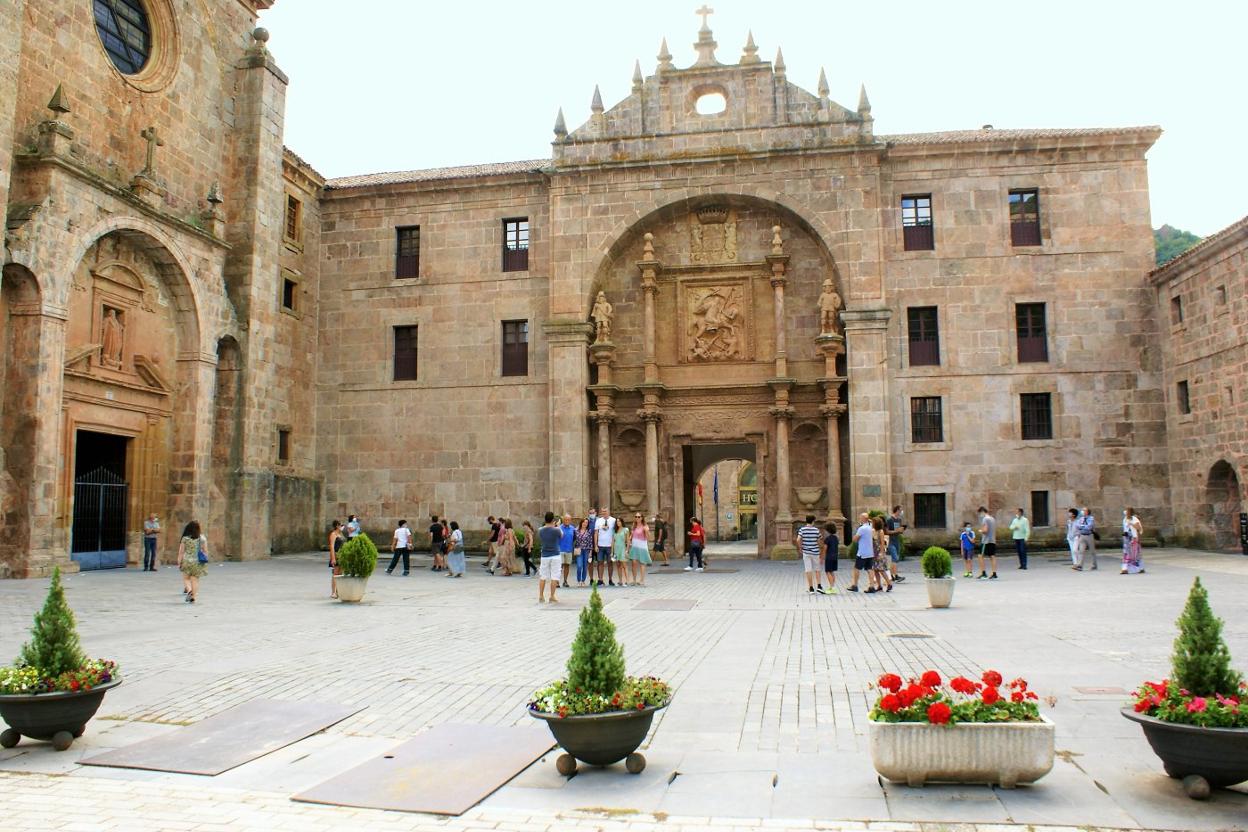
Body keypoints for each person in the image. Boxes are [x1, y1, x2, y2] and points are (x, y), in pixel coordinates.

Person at [177, 520, 207, 603]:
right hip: (197, 562)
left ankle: (189, 590)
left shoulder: (185, 539)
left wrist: (179, 561)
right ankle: (193, 597)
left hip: (187, 561)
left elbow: (181, 552)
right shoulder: (202, 538)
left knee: (186, 578)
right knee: (195, 580)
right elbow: (205, 551)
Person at [537, 511, 562, 603]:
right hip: (555, 554)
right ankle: (552, 596)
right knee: (554, 576)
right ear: (553, 520)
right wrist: (557, 526)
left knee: (543, 575)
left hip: (544, 555)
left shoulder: (540, 530)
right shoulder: (556, 529)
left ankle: (541, 595)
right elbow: (561, 536)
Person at [797, 514, 825, 594]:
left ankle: (811, 588)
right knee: (817, 569)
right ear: (813, 521)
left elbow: (798, 539)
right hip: (815, 552)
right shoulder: (816, 530)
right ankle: (819, 586)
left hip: (806, 552)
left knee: (808, 570)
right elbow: (820, 540)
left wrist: (800, 547)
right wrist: (820, 547)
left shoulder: (802, 529)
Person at [848, 513, 873, 592]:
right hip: (870, 551)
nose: (859, 519)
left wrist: (856, 532)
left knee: (856, 568)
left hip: (862, 552)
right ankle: (872, 586)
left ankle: (855, 585)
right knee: (869, 569)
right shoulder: (871, 527)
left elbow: (855, 539)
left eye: (860, 518)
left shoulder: (862, 528)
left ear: (863, 519)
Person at [870, 516, 894, 593]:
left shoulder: (880, 531)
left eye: (873, 523)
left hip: (879, 552)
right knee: (875, 570)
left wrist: (881, 553)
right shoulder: (873, 531)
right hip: (874, 552)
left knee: (881, 569)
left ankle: (889, 583)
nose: (872, 524)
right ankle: (879, 585)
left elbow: (882, 543)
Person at [593, 507, 615, 587]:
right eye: (602, 512)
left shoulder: (613, 520)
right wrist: (595, 545)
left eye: (605, 511)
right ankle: (600, 580)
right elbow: (596, 533)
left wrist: (613, 546)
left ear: (608, 511)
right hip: (600, 545)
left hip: (609, 545)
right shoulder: (598, 520)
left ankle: (610, 579)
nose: (604, 513)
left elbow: (614, 533)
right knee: (600, 563)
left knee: (610, 563)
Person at [628, 513, 652, 586]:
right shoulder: (634, 526)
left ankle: (642, 580)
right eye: (636, 516)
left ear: (642, 518)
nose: (637, 518)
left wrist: (647, 531)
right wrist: (628, 543)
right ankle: (634, 580)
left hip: (642, 547)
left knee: (642, 563)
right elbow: (631, 536)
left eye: (639, 517)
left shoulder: (645, 526)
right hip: (634, 546)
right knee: (634, 563)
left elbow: (648, 538)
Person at [884, 505, 906, 582]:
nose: (901, 512)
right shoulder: (889, 520)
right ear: (896, 510)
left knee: (895, 560)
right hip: (891, 541)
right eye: (900, 510)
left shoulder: (899, 520)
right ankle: (895, 575)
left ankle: (891, 576)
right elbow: (886, 531)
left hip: (897, 540)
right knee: (895, 558)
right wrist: (896, 531)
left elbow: (899, 530)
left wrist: (901, 530)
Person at [977, 507, 998, 580]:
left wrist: (980, 530)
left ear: (982, 512)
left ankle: (983, 573)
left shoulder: (985, 519)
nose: (980, 515)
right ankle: (994, 573)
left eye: (980, 513)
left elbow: (985, 530)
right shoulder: (992, 519)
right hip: (992, 540)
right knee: (992, 556)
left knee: (980, 556)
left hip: (986, 541)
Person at [1122, 507, 1145, 574]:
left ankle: (1141, 568)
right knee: (1126, 554)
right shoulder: (1125, 519)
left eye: (1127, 511)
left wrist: (1131, 523)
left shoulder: (1135, 519)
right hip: (1127, 538)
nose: (1126, 512)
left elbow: (1139, 528)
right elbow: (1125, 528)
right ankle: (1125, 569)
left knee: (1136, 554)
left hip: (1134, 538)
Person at [559, 514, 576, 588]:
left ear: (570, 520)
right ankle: (556, 582)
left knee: (567, 566)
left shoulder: (572, 528)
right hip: (560, 550)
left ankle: (565, 581)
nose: (567, 521)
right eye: (566, 519)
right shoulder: (559, 528)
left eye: (568, 520)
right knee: (560, 567)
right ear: (563, 520)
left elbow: (575, 538)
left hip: (569, 550)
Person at [328, 519, 344, 599]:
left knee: (340, 574)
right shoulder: (333, 534)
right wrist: (333, 558)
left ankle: (339, 591)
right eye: (341, 525)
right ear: (337, 525)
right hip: (336, 555)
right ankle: (333, 592)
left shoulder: (340, 534)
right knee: (335, 574)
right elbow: (331, 546)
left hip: (342, 556)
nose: (342, 527)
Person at [821, 522, 840, 594]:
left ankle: (832, 588)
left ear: (827, 530)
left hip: (829, 557)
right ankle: (832, 586)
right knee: (832, 572)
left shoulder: (827, 539)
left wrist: (822, 558)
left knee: (828, 571)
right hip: (835, 557)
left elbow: (824, 549)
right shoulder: (836, 538)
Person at [574, 518, 592, 586]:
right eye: (584, 522)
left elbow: (590, 542)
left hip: (586, 550)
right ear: (581, 523)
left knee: (585, 566)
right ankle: (579, 580)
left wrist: (590, 552)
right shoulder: (576, 531)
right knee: (579, 566)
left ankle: (583, 581)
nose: (585, 523)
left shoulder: (589, 531)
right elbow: (573, 539)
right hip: (579, 550)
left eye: (586, 522)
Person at [612, 519, 629, 585]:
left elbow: (628, 541)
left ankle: (627, 580)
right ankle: (620, 581)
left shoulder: (626, 530)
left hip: (623, 549)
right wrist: (612, 552)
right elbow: (613, 542)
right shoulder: (614, 530)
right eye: (617, 522)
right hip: (616, 549)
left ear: (622, 522)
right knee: (618, 565)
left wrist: (627, 550)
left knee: (624, 565)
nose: (618, 523)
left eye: (619, 521)